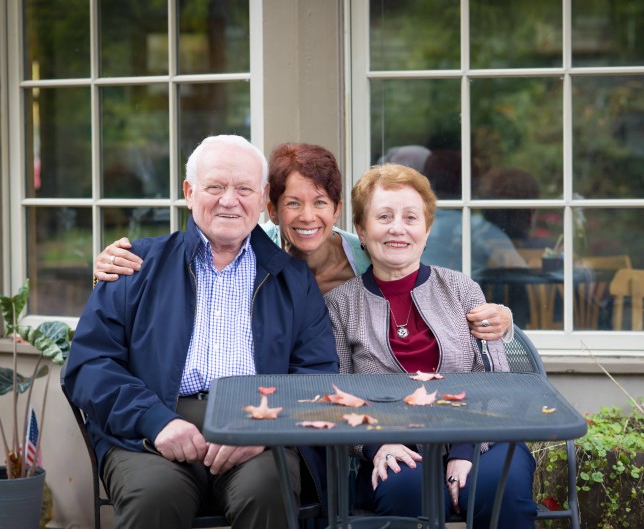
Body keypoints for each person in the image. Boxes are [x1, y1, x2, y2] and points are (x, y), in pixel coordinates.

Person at [64, 135, 339, 529]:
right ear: (190, 193)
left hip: (258, 425)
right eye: (215, 187)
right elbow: (89, 364)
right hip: (153, 427)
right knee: (154, 498)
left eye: (244, 189)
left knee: (268, 490)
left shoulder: (292, 279)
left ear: (262, 199)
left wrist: (261, 428)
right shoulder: (134, 265)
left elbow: (316, 373)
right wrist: (155, 421)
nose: (230, 200)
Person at [94, 142, 513, 340]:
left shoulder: (371, 253)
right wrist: (106, 273)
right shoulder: (249, 255)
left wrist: (501, 322)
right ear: (271, 209)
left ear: (336, 210)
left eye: (321, 202)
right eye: (293, 203)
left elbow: (434, 298)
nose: (308, 216)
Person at [323, 163, 537, 528]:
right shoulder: (340, 305)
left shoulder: (462, 290)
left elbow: (498, 380)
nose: (397, 228)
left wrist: (464, 450)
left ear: (427, 228)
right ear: (361, 228)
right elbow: (337, 394)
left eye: (410, 217)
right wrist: (376, 445)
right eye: (384, 216)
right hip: (393, 447)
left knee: (499, 491)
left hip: (482, 439)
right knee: (404, 492)